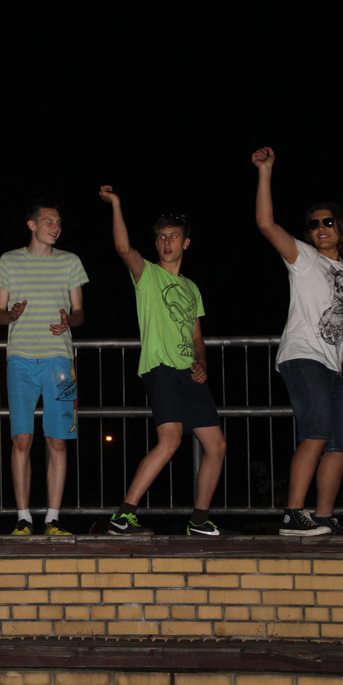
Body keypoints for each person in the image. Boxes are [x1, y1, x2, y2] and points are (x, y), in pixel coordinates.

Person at [252, 147, 343, 537]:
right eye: (314, 223)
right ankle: (292, 513)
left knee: (341, 443)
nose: (320, 228)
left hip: (332, 366)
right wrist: (265, 171)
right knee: (316, 430)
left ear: (341, 228)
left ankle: (322, 517)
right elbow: (266, 223)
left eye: (328, 222)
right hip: (302, 356)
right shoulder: (303, 258)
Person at [98, 186, 227, 536]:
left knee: (217, 446)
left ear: (186, 243)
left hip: (190, 373)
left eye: (174, 236)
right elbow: (123, 248)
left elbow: (197, 338)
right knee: (170, 441)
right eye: (161, 237)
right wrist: (116, 204)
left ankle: (199, 521)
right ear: (156, 244)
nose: (167, 242)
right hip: (161, 369)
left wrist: (202, 363)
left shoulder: (192, 288)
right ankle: (123, 515)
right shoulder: (147, 275)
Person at [0, 200, 88, 535]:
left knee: (57, 441)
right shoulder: (9, 261)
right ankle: (23, 518)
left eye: (58, 222)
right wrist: (11, 314)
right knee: (21, 439)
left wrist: (69, 320)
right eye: (49, 221)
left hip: (59, 360)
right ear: (31, 225)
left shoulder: (70, 262)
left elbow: (79, 313)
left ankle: (53, 518)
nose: (56, 227)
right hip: (20, 358)